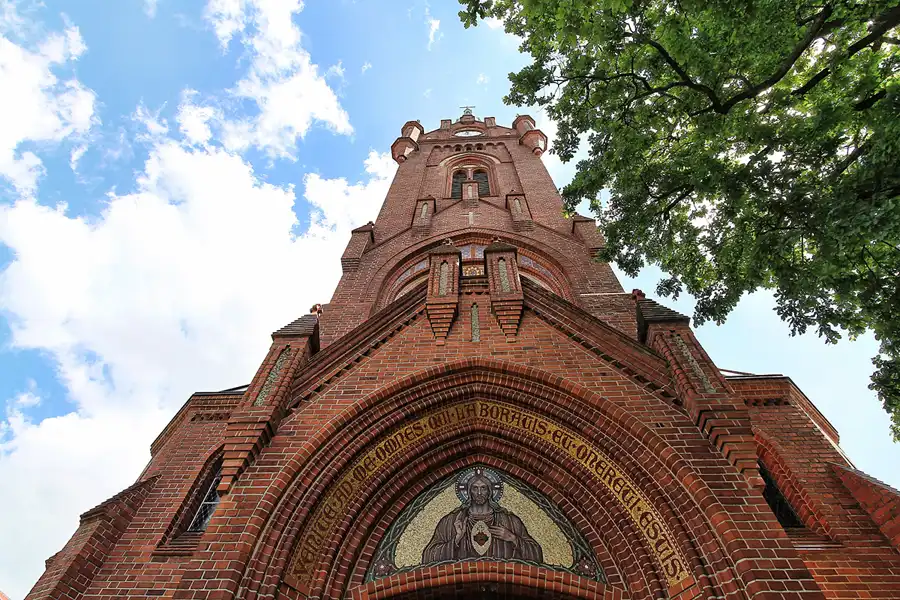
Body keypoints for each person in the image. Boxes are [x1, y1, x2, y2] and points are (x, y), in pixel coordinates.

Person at [422, 473, 542, 562]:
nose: (479, 493)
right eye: (475, 488)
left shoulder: (510, 521)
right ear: (469, 492)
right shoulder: (451, 522)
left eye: (483, 488)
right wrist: (456, 539)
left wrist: (513, 538)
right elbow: (429, 556)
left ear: (490, 492)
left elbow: (536, 554)